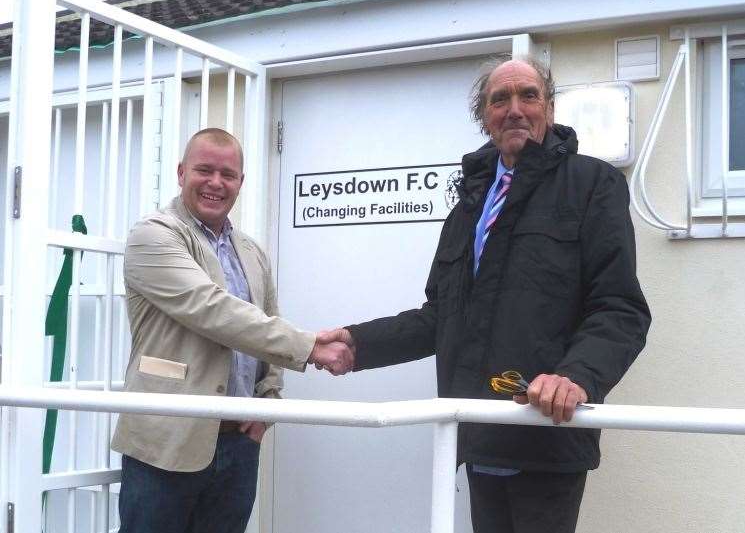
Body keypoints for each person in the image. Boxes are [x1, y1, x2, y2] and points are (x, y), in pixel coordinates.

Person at [324, 57, 651, 533]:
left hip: (546, 434)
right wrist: (358, 344)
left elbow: (620, 308)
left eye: (529, 96)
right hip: (477, 431)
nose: (515, 109)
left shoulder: (593, 185)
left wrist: (575, 376)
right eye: (500, 99)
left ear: (550, 109)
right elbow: (440, 318)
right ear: (485, 117)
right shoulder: (469, 208)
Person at [112, 128, 353, 533]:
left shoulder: (252, 251)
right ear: (180, 172)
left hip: (238, 445)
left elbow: (267, 321)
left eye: (228, 174)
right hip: (166, 442)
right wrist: (311, 347)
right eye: (204, 170)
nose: (215, 183)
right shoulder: (152, 235)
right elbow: (212, 310)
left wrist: (268, 405)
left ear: (241, 182)